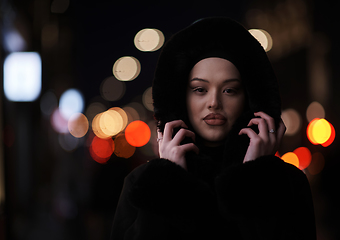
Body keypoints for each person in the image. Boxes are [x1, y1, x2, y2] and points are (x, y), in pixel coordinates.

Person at [110, 17, 316, 240]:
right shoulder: (143, 185)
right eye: (200, 89)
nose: (214, 102)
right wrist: (169, 184)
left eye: (229, 90)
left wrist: (255, 179)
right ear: (181, 97)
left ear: (248, 99)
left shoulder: (287, 183)